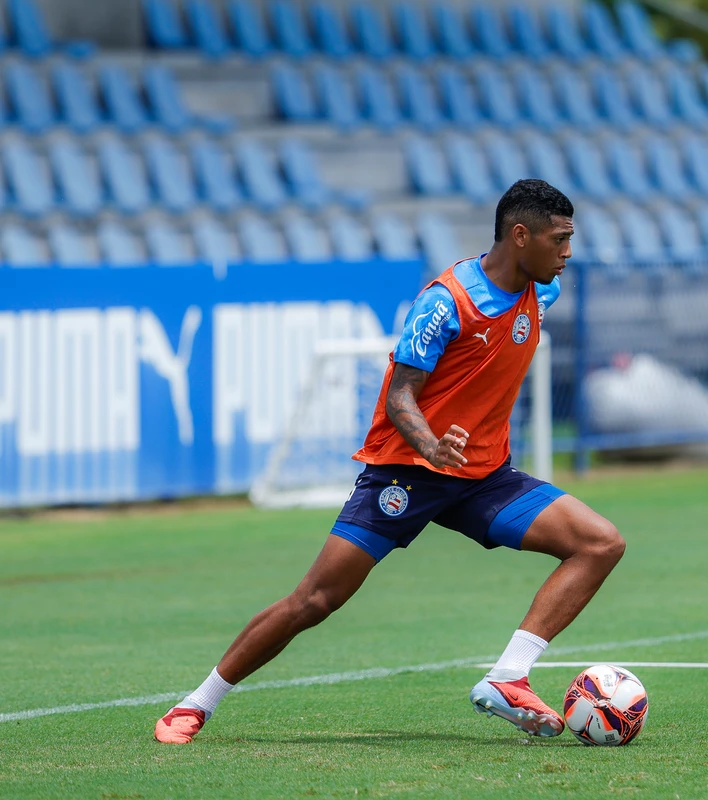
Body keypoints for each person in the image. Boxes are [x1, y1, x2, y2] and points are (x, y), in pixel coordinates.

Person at [155, 179, 626, 744]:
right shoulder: (446, 301)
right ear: (520, 236)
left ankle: (508, 677)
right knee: (316, 599)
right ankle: (194, 705)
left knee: (600, 543)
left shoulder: (539, 293)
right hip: (406, 473)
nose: (569, 253)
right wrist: (430, 446)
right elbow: (399, 394)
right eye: (560, 239)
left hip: (483, 478)